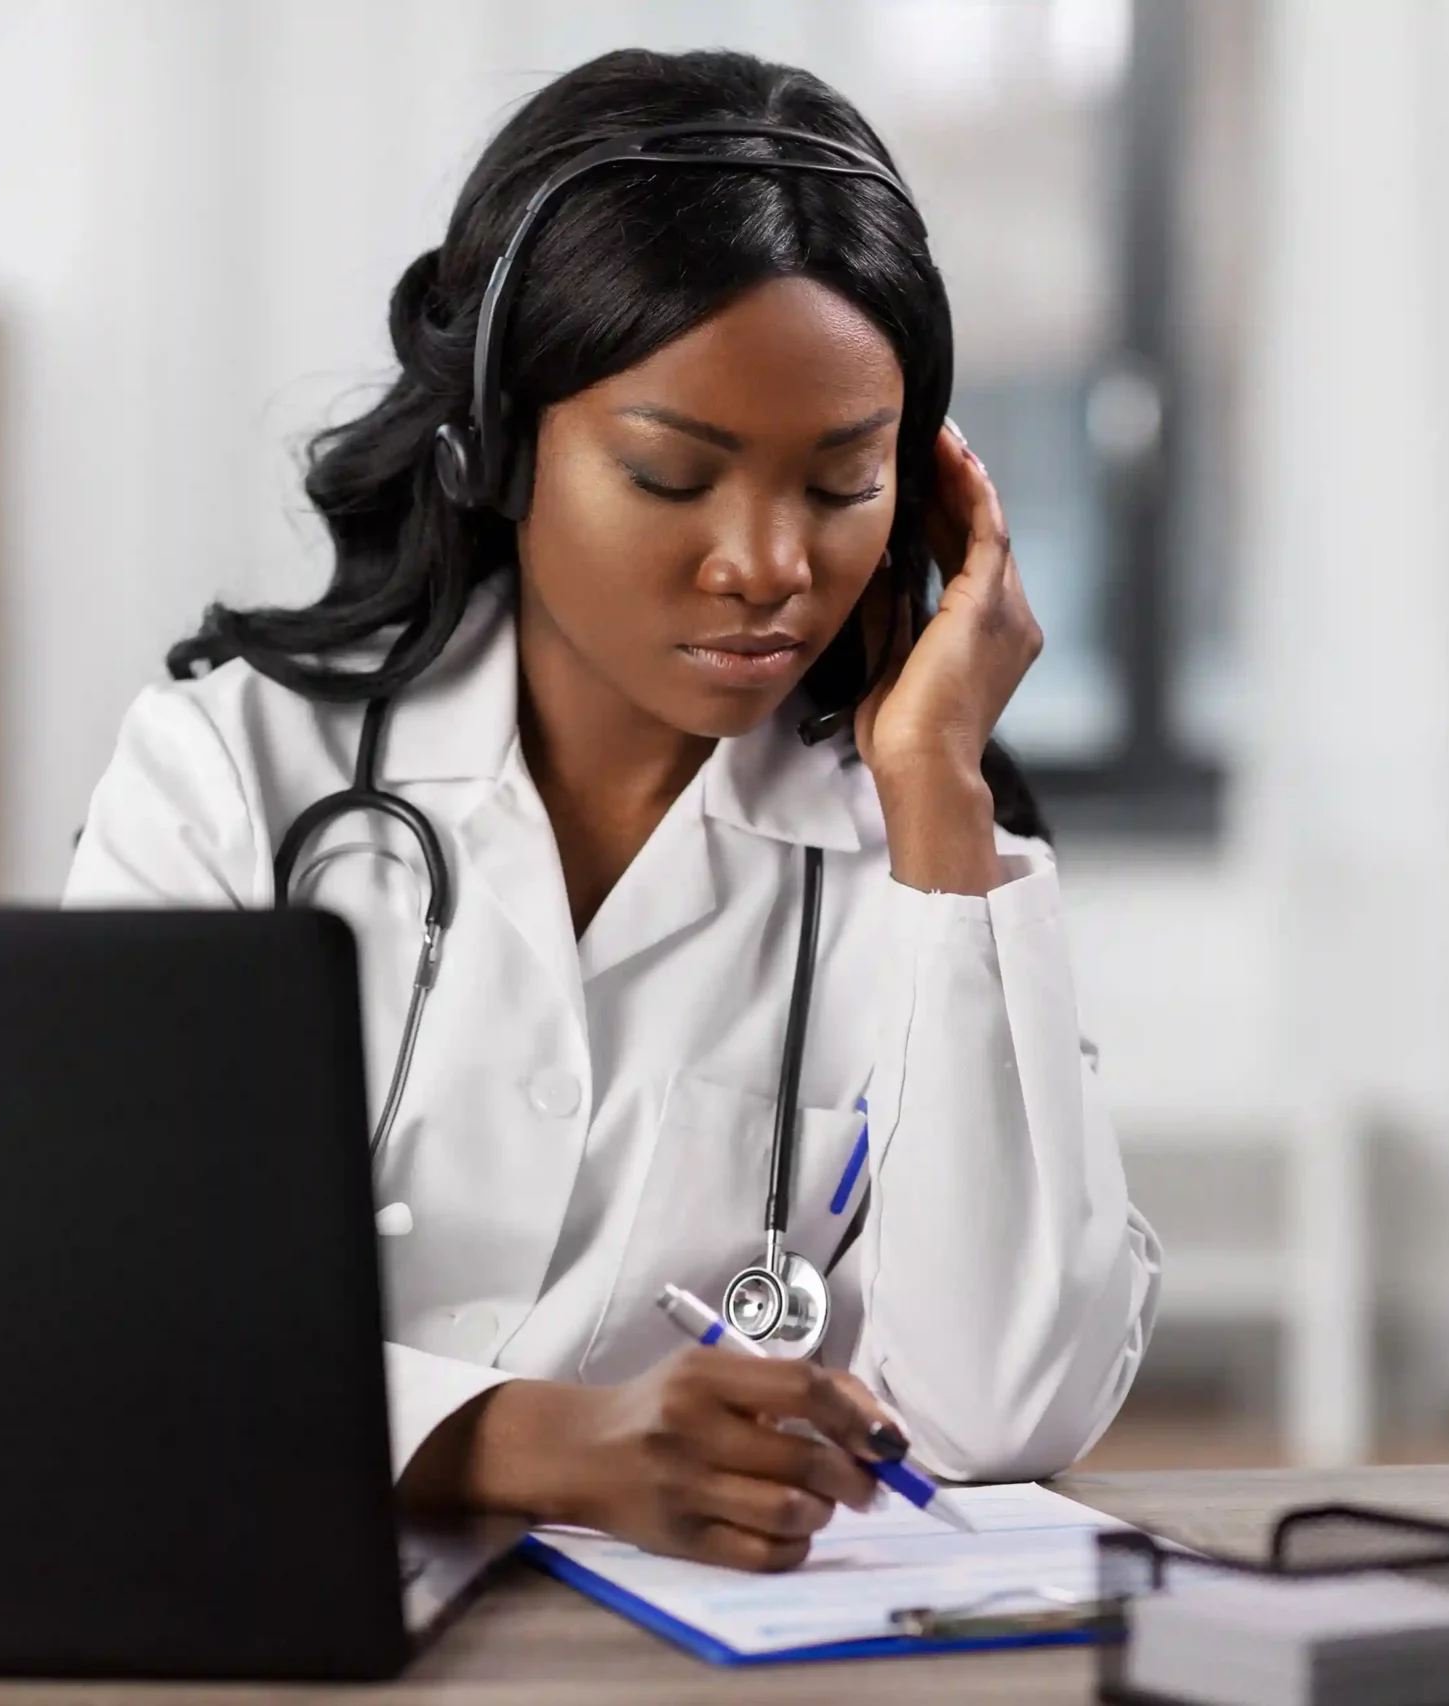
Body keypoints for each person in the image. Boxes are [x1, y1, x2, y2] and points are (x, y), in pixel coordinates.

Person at [66, 46, 1160, 1572]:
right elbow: (95, 1314)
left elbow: (1004, 1415)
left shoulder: (927, 853)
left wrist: (936, 793)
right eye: (671, 476)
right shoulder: (231, 778)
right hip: (261, 1620)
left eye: (843, 483)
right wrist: (534, 1441)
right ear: (492, 447)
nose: (767, 562)